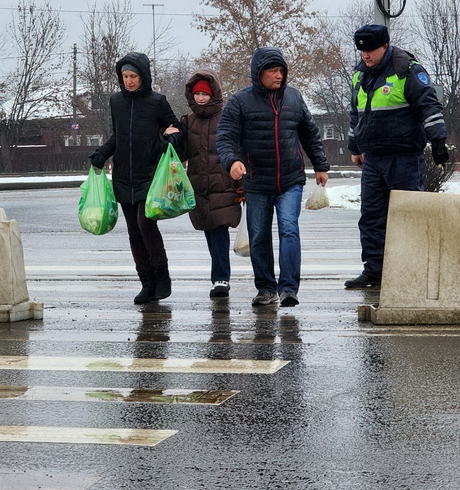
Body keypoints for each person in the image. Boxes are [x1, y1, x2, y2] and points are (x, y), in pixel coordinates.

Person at [216, 47, 330, 308]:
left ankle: (289, 288)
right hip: (257, 181)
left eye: (282, 71)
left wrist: (320, 166)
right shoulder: (240, 101)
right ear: (259, 73)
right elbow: (225, 136)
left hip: (290, 179)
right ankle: (266, 289)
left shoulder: (293, 97)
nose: (279, 75)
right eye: (273, 71)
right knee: (258, 235)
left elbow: (310, 134)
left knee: (289, 229)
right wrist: (232, 161)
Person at [344, 24, 448, 291]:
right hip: (374, 158)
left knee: (407, 215)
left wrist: (438, 141)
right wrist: (355, 147)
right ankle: (374, 270)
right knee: (371, 216)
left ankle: (411, 268)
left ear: (385, 46)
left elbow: (428, 105)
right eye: (362, 51)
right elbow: (356, 114)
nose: (365, 55)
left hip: (403, 156)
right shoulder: (360, 75)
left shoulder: (407, 71)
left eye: (370, 50)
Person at [89, 52, 181, 305]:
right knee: (133, 232)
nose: (128, 81)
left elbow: (175, 128)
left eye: (133, 76)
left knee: (146, 224)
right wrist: (102, 153)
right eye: (125, 76)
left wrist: (170, 138)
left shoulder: (157, 101)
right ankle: (147, 284)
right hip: (123, 175)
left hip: (150, 174)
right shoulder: (116, 101)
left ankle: (162, 279)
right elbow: (117, 136)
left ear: (143, 76)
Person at [177, 69, 242, 299]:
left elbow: (237, 147)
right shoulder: (189, 121)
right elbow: (181, 151)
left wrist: (240, 179)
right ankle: (218, 277)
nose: (201, 98)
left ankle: (221, 278)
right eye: (197, 94)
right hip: (199, 185)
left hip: (223, 183)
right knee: (208, 229)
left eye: (205, 94)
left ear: (214, 93)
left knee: (220, 229)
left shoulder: (226, 117)